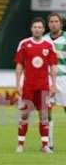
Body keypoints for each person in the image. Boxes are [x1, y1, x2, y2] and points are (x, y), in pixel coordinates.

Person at [15, 17, 58, 153]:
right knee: (24, 115)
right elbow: (19, 65)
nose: (37, 29)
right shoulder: (24, 44)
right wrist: (17, 84)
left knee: (44, 115)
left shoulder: (49, 45)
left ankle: (45, 145)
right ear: (31, 29)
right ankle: (20, 144)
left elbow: (53, 67)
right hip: (28, 87)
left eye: (40, 27)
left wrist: (54, 85)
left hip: (44, 87)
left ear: (43, 29)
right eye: (35, 27)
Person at [43, 12, 66, 150]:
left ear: (61, 23)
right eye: (51, 21)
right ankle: (49, 143)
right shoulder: (44, 40)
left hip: (64, 78)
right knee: (47, 111)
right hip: (47, 79)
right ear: (48, 24)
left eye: (56, 21)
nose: (53, 24)